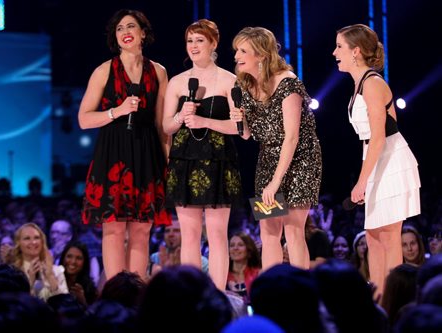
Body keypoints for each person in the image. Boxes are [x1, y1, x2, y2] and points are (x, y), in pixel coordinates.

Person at [78, 9, 171, 281]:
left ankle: (137, 291)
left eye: (131, 26)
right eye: (119, 28)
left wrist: (168, 163)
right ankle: (116, 291)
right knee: (115, 229)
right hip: (113, 153)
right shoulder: (103, 70)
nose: (125, 32)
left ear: (143, 33)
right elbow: (84, 119)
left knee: (142, 230)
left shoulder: (159, 72)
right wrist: (116, 111)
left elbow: (160, 124)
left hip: (146, 153)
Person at [333, 24, 421, 296]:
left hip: (391, 161)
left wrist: (362, 182)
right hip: (376, 158)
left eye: (339, 47)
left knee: (389, 236)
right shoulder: (361, 84)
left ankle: (396, 302)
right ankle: (380, 297)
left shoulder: (372, 83)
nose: (334, 52)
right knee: (373, 237)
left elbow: (380, 138)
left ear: (355, 51)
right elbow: (370, 140)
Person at [230, 27, 322, 270]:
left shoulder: (288, 83)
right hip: (268, 157)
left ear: (261, 55)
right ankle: (271, 288)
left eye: (243, 50)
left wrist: (275, 181)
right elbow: (248, 135)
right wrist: (240, 119)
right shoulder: (245, 85)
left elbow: (291, 137)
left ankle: (299, 289)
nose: (237, 55)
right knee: (268, 229)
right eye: (236, 50)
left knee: (293, 229)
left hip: (300, 159)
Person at [162, 19, 242, 289]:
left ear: (213, 44)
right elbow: (165, 126)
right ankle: (193, 294)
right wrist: (180, 116)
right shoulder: (177, 82)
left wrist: (205, 122)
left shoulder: (230, 80)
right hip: (184, 159)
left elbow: (240, 127)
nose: (194, 46)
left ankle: (218, 293)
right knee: (190, 234)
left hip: (218, 159)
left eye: (199, 40)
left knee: (218, 234)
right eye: (190, 41)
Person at [12, 223, 69, 301]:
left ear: (42, 242)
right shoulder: (12, 273)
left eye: (37, 238)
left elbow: (66, 304)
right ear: (18, 244)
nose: (33, 242)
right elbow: (14, 305)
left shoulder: (57, 271)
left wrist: (50, 276)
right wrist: (30, 282)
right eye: (27, 238)